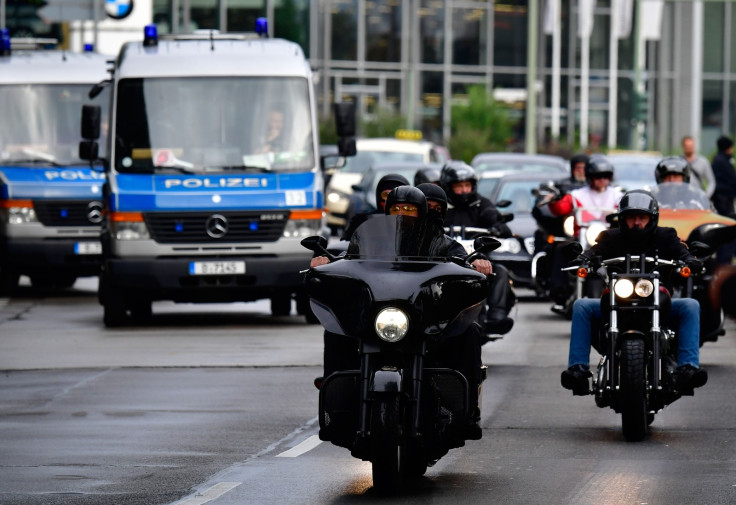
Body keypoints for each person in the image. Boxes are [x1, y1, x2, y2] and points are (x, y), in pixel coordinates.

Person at [560, 190, 708, 396]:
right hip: (617, 299)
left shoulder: (666, 236)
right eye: (631, 217)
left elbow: (682, 252)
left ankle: (688, 368)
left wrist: (691, 260)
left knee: (691, 305)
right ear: (622, 219)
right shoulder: (610, 237)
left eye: (642, 217)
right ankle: (578, 370)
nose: (636, 222)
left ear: (652, 218)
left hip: (659, 299)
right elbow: (594, 250)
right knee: (581, 306)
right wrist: (583, 259)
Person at [440, 161, 515, 336]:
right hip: (447, 262)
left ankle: (495, 317)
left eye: (467, 185)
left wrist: (498, 227)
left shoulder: (481, 204)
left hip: (478, 261)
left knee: (501, 272)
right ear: (448, 187)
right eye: (459, 186)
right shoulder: (442, 206)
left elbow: (497, 221)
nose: (464, 190)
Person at [710, 135, 736, 218]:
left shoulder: (717, 159)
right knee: (727, 220)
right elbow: (731, 178)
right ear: (727, 148)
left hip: (721, 197)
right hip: (723, 198)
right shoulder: (723, 161)